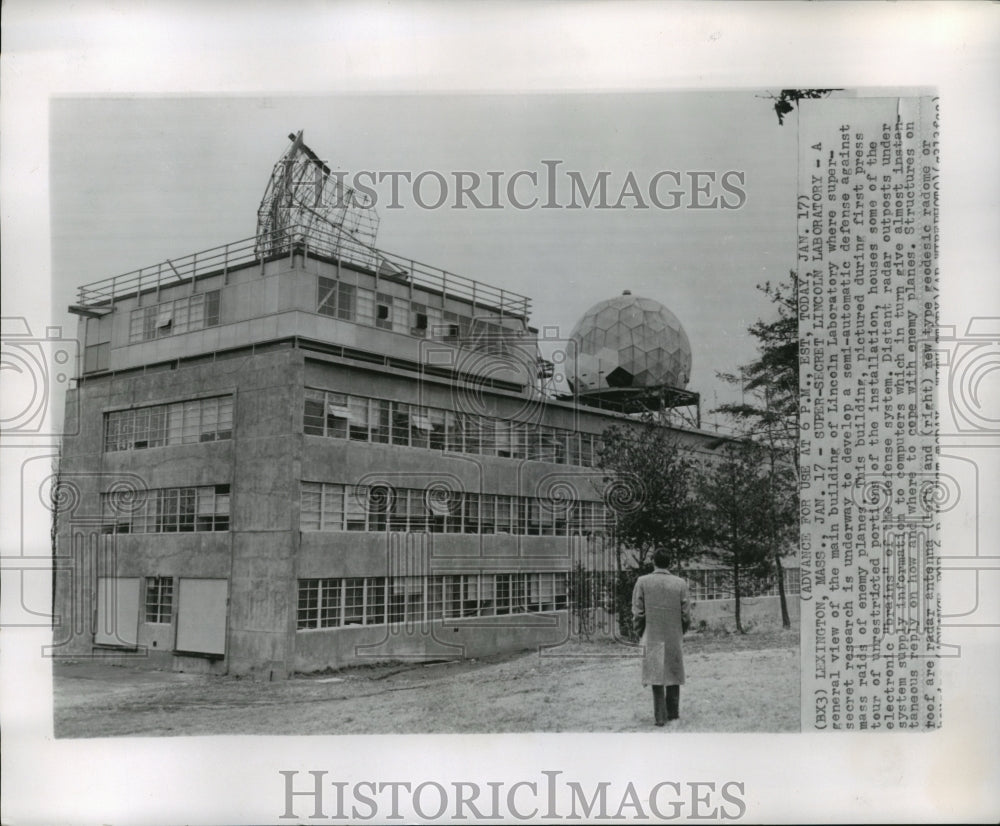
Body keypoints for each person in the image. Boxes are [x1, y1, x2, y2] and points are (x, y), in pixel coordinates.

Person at [632, 547, 691, 726]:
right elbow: (686, 615)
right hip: (673, 635)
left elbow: (638, 613)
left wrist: (641, 632)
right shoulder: (680, 583)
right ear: (670, 563)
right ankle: (673, 714)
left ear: (653, 562)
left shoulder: (642, 582)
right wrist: (680, 631)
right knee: (673, 673)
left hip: (652, 635)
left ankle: (660, 717)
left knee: (656, 676)